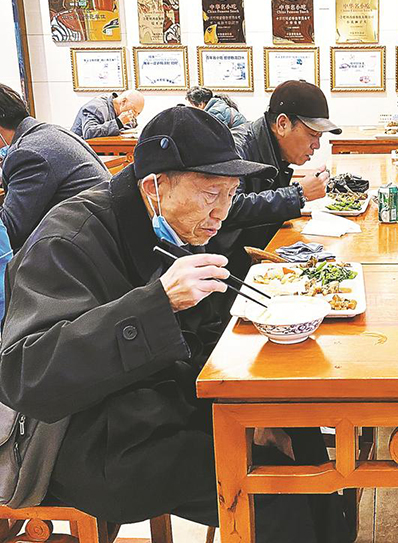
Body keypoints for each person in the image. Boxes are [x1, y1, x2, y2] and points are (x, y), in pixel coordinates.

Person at [0, 106, 349, 542]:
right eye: (210, 194)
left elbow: (197, 339)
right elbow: (25, 375)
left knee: (296, 430)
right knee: (265, 481)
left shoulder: (173, 228)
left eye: (231, 193)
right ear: (154, 186)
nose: (222, 211)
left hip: (157, 403)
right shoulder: (68, 239)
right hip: (86, 438)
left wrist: (247, 406)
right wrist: (156, 304)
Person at [216, 80, 341, 276]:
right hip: (227, 271)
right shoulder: (236, 147)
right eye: (312, 135)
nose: (316, 145)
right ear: (282, 124)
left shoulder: (271, 147)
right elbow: (228, 208)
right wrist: (298, 194)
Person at [0, 84, 110, 250]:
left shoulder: (27, 154)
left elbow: (9, 234)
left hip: (83, 251)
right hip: (98, 237)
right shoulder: (48, 132)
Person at [71, 90, 145, 140]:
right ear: (123, 102)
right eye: (133, 111)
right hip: (79, 153)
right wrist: (119, 122)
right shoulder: (96, 107)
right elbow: (89, 133)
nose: (134, 116)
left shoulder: (122, 111)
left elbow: (130, 125)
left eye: (138, 113)